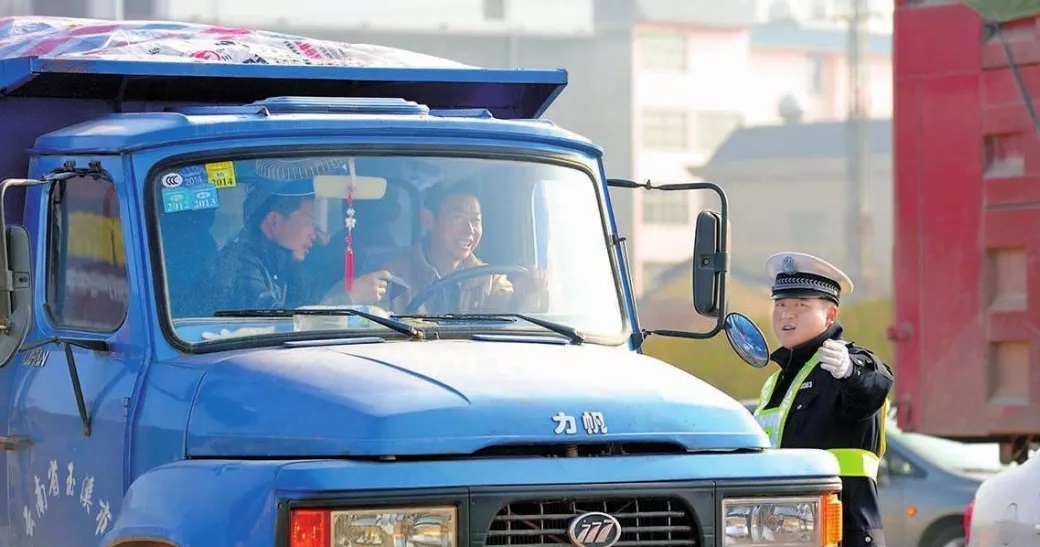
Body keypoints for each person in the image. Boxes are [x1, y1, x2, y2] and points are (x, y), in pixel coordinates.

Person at [752, 251, 894, 547]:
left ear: (830, 316)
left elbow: (874, 385)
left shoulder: (841, 365)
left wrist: (850, 371)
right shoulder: (775, 383)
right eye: (780, 304)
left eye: (800, 305)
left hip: (843, 533)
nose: (786, 314)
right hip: (783, 533)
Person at [336, 180, 548, 314]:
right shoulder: (393, 275)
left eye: (476, 220)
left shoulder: (490, 281)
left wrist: (526, 295)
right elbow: (345, 322)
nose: (470, 230)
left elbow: (516, 325)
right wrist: (350, 297)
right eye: (458, 217)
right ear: (428, 220)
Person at [183, 188, 320, 316]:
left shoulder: (275, 263)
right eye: (309, 221)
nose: (313, 235)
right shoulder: (239, 265)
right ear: (275, 221)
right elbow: (269, 320)